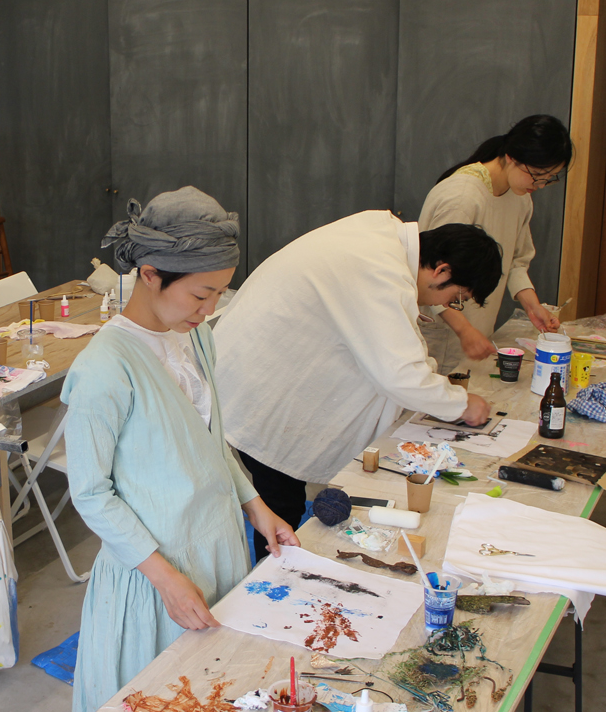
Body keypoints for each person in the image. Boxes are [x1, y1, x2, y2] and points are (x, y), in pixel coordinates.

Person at [62, 186, 299, 712]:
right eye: (200, 294)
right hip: (155, 572)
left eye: (219, 293)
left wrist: (257, 508)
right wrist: (166, 579)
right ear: (150, 275)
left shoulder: (195, 339)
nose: (210, 309)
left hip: (216, 549)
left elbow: (211, 442)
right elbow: (92, 494)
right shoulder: (105, 368)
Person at [213, 214, 503, 553]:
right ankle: (271, 576)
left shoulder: (381, 237)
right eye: (457, 298)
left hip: (263, 375)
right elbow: (400, 374)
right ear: (441, 270)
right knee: (280, 509)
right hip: (258, 390)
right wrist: (462, 404)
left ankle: (279, 562)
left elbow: (397, 348)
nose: (445, 305)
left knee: (281, 502)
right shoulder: (381, 269)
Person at [418, 114, 574, 372]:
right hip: (444, 334)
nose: (540, 185)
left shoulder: (520, 196)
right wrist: (465, 330)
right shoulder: (462, 197)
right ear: (511, 157)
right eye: (537, 175)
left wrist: (533, 306)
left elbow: (515, 261)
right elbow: (432, 275)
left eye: (550, 178)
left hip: (475, 332)